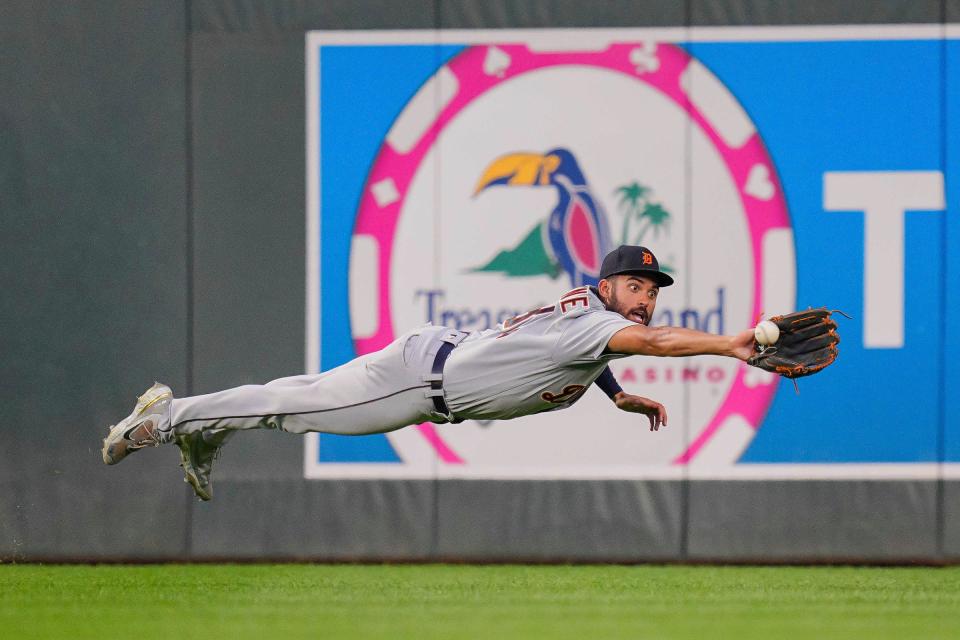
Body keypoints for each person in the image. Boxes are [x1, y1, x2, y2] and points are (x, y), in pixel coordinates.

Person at [102, 245, 757, 500]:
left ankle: (202, 430)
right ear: (606, 284)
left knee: (293, 399)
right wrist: (730, 344)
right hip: (419, 385)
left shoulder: (589, 322)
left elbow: (601, 351)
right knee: (294, 407)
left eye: (652, 289)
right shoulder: (597, 323)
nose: (646, 298)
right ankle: (169, 418)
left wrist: (615, 395)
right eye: (635, 284)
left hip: (432, 356)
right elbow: (651, 342)